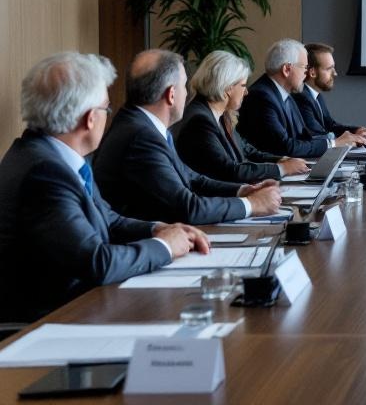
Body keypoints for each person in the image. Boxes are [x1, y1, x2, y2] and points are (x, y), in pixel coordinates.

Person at [0, 52, 209, 323]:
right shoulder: (45, 174)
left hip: (83, 306)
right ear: (90, 118)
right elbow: (97, 262)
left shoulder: (50, 157)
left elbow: (107, 219)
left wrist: (158, 229)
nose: (108, 118)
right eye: (106, 109)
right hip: (51, 321)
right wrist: (165, 246)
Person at [94, 50, 282, 225]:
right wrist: (252, 204)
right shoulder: (141, 136)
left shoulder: (143, 125)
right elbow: (188, 208)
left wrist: (243, 191)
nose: (188, 93)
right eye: (184, 86)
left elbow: (191, 178)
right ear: (171, 94)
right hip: (147, 239)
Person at [172, 50, 310, 184]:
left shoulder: (222, 114)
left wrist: (282, 160)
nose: (246, 92)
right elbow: (229, 171)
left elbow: (247, 150)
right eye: (243, 85)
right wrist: (282, 169)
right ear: (227, 87)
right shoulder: (200, 121)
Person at [238, 39, 366, 158]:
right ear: (287, 69)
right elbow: (286, 147)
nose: (306, 74)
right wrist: (333, 144)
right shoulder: (261, 97)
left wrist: (346, 139)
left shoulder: (285, 94)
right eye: (304, 68)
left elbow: (305, 136)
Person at [293, 42, 366, 141]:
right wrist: (351, 139)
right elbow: (316, 135)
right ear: (312, 72)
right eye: (329, 69)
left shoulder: (316, 96)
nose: (335, 73)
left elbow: (330, 125)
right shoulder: (301, 97)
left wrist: (356, 130)